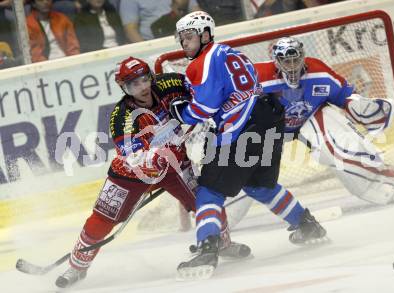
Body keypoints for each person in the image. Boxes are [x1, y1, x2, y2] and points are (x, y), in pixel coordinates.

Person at [55, 56, 250, 288]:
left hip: (175, 166)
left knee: (205, 200)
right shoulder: (122, 117)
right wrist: (156, 155)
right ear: (124, 88)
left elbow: (200, 89)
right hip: (130, 175)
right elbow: (133, 157)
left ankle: (222, 243)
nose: (143, 87)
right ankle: (77, 267)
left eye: (145, 79)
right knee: (103, 219)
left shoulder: (169, 84)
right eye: (133, 85)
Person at [171, 11, 327, 280]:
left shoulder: (201, 62)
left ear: (205, 34)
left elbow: (204, 107)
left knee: (209, 190)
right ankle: (307, 224)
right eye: (181, 38)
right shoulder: (232, 53)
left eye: (189, 36)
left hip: (242, 129)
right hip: (269, 117)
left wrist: (180, 113)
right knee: (259, 185)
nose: (184, 43)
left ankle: (209, 247)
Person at [254, 37, 394, 205]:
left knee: (341, 147)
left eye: (296, 59)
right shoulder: (257, 77)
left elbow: (343, 95)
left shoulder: (319, 72)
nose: (292, 65)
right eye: (286, 61)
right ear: (276, 61)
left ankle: (382, 185)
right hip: (269, 127)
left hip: (309, 118)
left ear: (303, 56)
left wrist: (355, 104)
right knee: (243, 165)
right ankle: (223, 211)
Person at [119, 0, 198, 42]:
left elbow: (197, 13)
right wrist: (147, 50)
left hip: (184, 40)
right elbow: (130, 30)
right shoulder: (128, 1)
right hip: (153, 44)